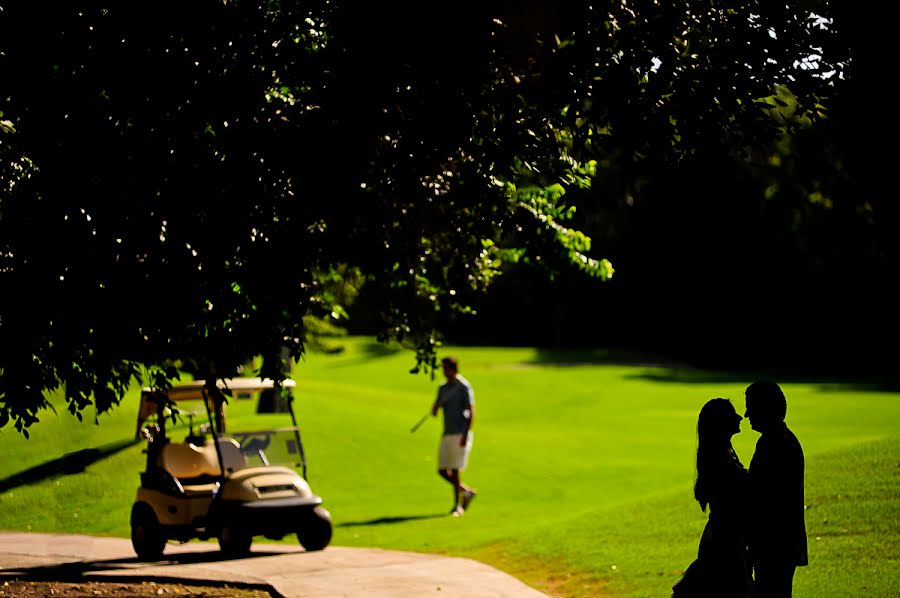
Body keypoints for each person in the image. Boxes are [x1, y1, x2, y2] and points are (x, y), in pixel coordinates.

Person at [673, 398, 751, 598]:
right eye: (732, 414)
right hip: (725, 539)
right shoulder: (720, 459)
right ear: (721, 423)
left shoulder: (720, 454)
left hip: (724, 536)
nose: (739, 417)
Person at [744, 381, 807, 597]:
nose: (746, 414)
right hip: (779, 544)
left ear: (765, 408)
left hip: (775, 545)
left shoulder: (775, 444)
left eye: (751, 407)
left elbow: (764, 497)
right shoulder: (778, 440)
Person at [431, 356, 477, 516]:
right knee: (442, 470)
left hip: (460, 432)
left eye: (446, 368)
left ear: (453, 368)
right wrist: (435, 408)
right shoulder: (443, 388)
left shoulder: (463, 387)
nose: (443, 371)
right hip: (447, 432)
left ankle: (457, 506)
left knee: (455, 470)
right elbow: (437, 407)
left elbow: (471, 411)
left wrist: (465, 434)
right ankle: (466, 491)